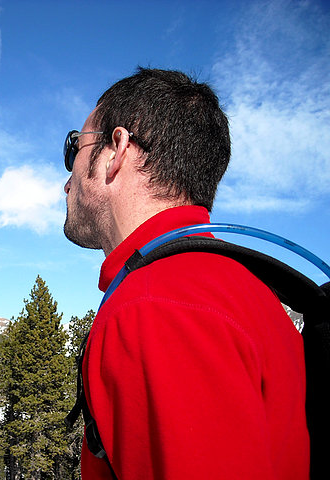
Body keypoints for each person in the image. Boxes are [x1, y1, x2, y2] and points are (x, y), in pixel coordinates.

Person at [63, 68, 309, 479]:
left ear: (117, 149)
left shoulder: (151, 307)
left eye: (75, 147)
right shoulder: (247, 291)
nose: (67, 182)